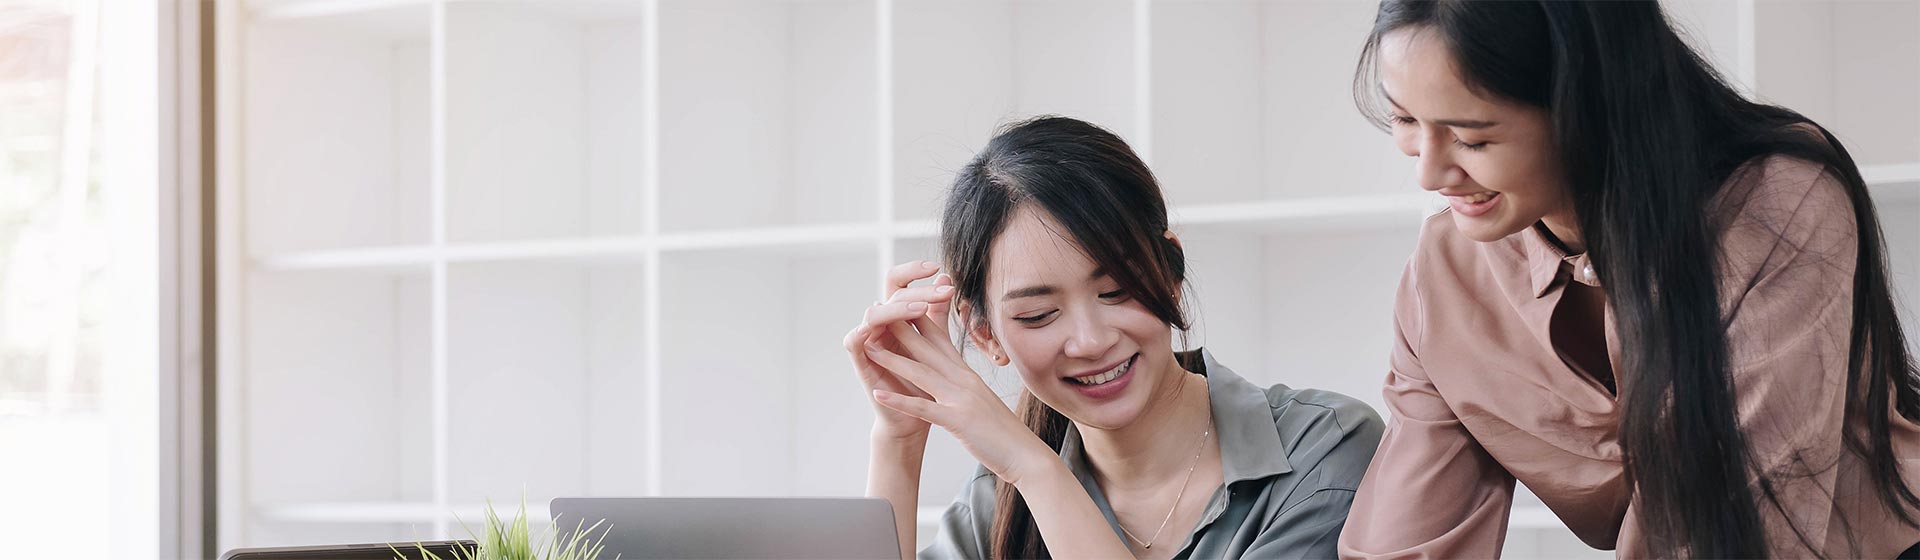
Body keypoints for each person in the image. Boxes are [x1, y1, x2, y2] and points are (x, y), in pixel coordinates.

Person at [1336, 1, 1920, 558]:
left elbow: (1745, 532)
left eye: (1472, 137)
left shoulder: (1774, 207)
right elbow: (1405, 541)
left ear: (1588, 106)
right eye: (1405, 119)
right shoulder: (1445, 274)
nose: (1428, 171)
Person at [846, 116, 1383, 559]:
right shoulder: (994, 507)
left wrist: (1035, 468)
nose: (1089, 341)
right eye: (1038, 314)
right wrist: (898, 441)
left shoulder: (1324, 449)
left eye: (1117, 291)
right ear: (985, 332)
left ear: (1169, 271)